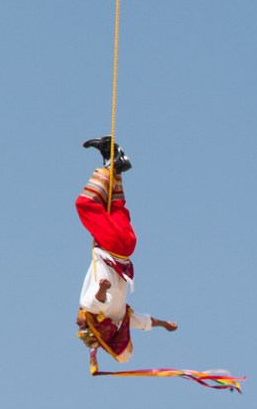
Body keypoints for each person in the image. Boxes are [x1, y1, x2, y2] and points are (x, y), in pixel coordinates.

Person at [74, 137, 178, 364]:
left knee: (114, 206)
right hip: (113, 246)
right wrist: (101, 288)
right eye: (81, 324)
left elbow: (142, 321)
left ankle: (116, 164)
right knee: (85, 205)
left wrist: (164, 324)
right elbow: (97, 300)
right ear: (93, 326)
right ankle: (112, 166)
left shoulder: (121, 316)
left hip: (127, 247)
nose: (77, 321)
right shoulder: (92, 307)